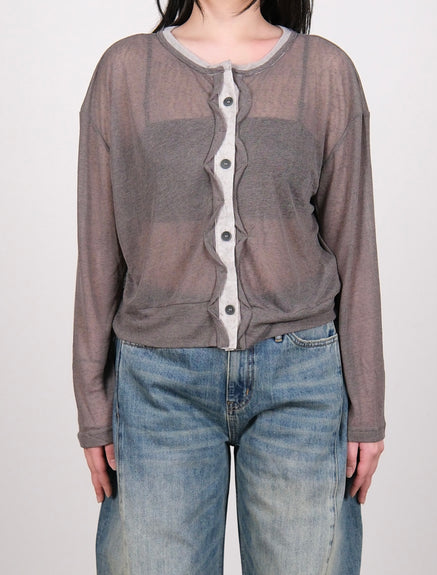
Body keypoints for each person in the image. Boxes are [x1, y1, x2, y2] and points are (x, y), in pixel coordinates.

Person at [73, 1, 385, 573]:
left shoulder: (324, 71)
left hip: (302, 380)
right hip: (158, 384)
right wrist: (93, 403)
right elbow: (98, 250)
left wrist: (367, 407)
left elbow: (355, 245)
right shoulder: (126, 70)